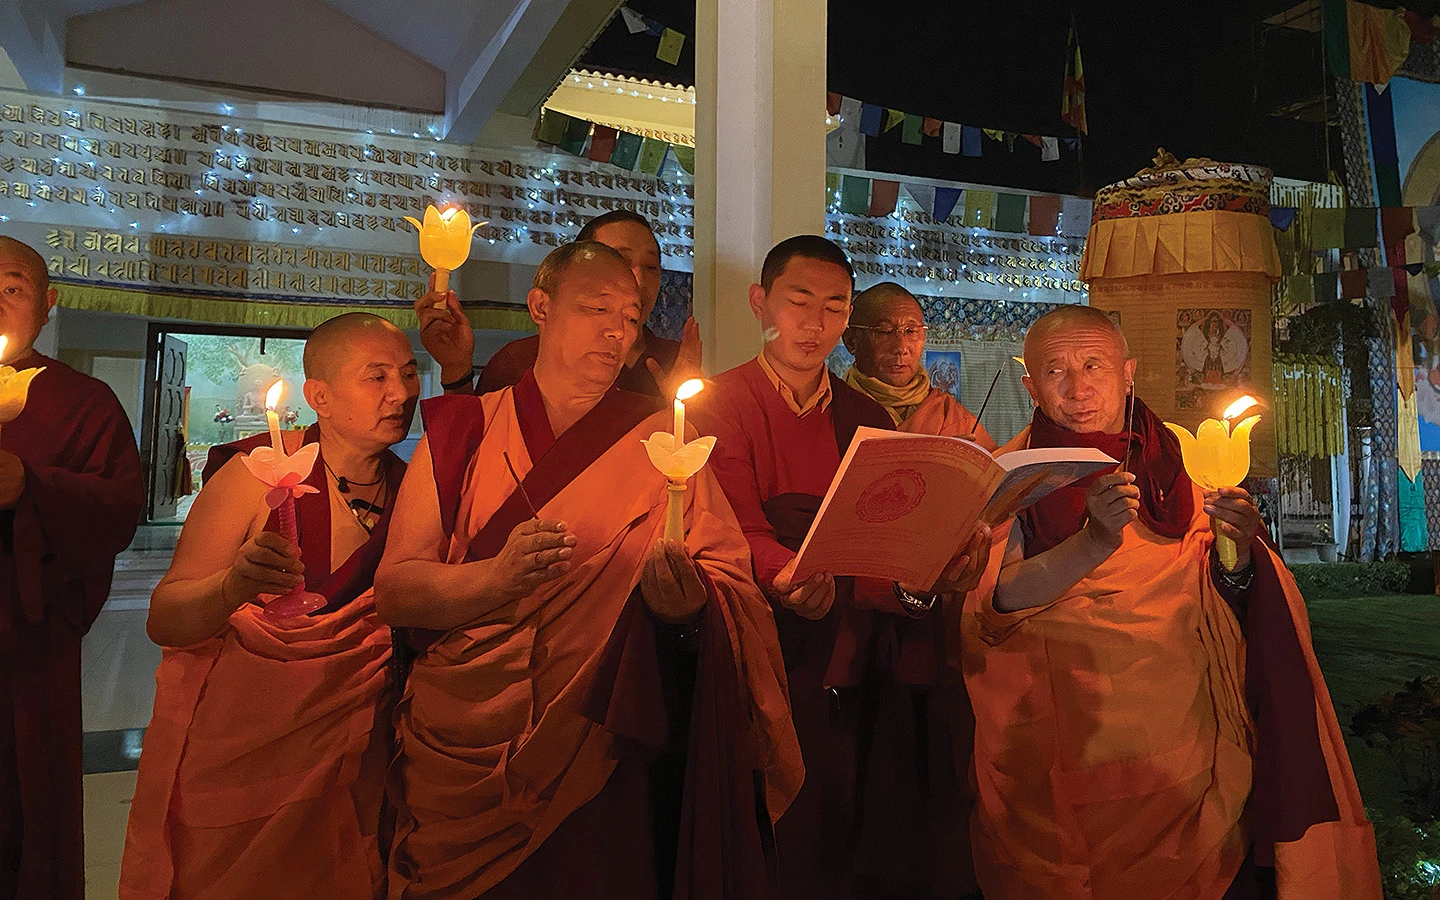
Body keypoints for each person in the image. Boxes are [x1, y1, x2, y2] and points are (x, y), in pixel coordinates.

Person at [376, 240, 801, 900]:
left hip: (598, 744)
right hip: (460, 743)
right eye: (595, 308)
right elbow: (397, 590)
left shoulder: (667, 442)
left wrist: (689, 607)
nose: (616, 331)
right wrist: (496, 579)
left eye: (631, 317)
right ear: (541, 307)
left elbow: (729, 584)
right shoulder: (465, 429)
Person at [963, 305, 1381, 899]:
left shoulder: (1177, 468)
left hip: (1184, 752)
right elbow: (997, 603)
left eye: (1093, 365)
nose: (1077, 388)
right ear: (1029, 384)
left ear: (1128, 372)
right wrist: (1093, 543)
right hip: (1065, 751)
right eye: (1054, 371)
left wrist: (1240, 551)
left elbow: (1224, 592)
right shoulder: (1014, 476)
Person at [692, 236, 988, 899]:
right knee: (771, 858)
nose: (815, 323)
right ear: (760, 302)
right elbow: (730, 528)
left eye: (834, 306)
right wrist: (787, 577)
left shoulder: (865, 416)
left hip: (858, 667)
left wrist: (929, 582)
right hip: (761, 658)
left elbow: (881, 556)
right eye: (799, 301)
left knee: (856, 853)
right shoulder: (720, 403)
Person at [119, 313, 419, 900]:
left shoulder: (415, 489)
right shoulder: (253, 476)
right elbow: (166, 616)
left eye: (408, 375)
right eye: (376, 376)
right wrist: (231, 588)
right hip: (248, 744)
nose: (401, 393)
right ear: (319, 397)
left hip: (357, 750)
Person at [0, 236, 144, 900]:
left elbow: (116, 508)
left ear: (48, 304)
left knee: (22, 808)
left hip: (24, 646)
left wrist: (30, 486)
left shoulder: (82, 403)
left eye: (12, 287)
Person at [417, 209, 701, 398]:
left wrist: (680, 413)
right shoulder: (520, 361)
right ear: (540, 306)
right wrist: (456, 370)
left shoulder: (677, 362)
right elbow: (470, 456)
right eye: (620, 261)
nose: (637, 279)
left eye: (651, 266)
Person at [842, 281, 995, 449]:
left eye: (911, 331)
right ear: (851, 341)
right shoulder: (832, 408)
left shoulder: (951, 416)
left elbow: (993, 471)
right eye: (884, 331)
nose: (901, 348)